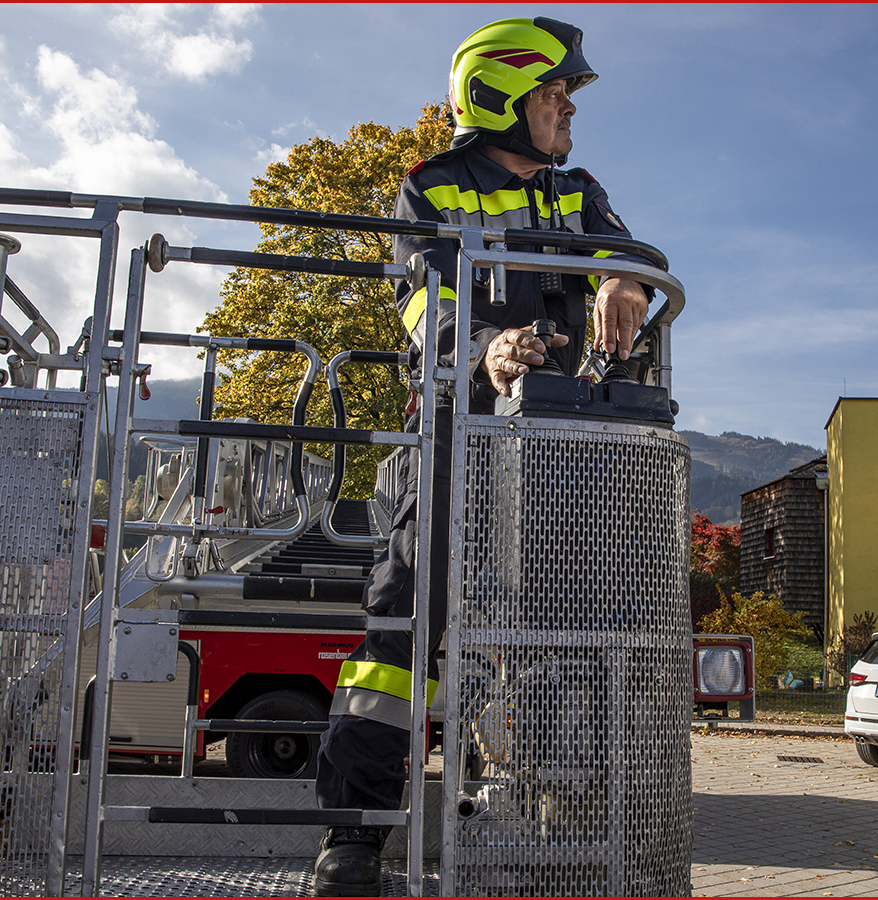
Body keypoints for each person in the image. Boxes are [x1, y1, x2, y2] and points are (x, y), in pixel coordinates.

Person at [312, 16, 650, 896]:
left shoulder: (577, 190)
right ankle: (355, 836)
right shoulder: (430, 186)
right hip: (452, 430)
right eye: (553, 92)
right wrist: (485, 347)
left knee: (571, 629)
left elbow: (626, 252)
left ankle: (563, 815)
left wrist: (623, 278)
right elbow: (422, 302)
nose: (568, 107)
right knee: (402, 626)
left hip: (559, 444)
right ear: (499, 98)